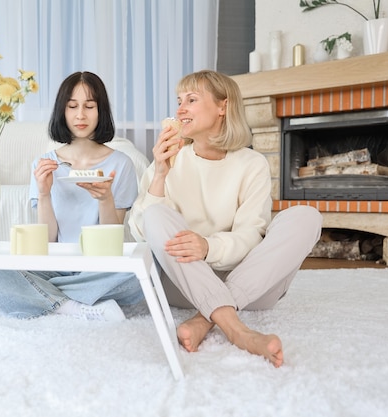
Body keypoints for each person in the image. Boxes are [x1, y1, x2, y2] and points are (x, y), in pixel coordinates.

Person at [128, 70, 322, 367]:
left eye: (191, 100)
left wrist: (208, 247)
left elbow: (250, 237)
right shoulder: (168, 161)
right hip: (183, 287)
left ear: (223, 106)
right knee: (154, 213)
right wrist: (160, 174)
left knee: (306, 217)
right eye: (179, 101)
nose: (180, 109)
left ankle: (205, 320)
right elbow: (142, 232)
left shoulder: (252, 164)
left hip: (252, 287)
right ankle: (238, 331)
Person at [0, 71, 143, 321]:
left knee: (140, 276)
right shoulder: (44, 164)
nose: (80, 115)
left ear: (101, 112)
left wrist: (105, 198)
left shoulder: (120, 164)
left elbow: (111, 243)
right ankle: (70, 306)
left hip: (98, 268)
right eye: (72, 106)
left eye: (89, 106)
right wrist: (44, 193)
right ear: (61, 111)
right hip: (53, 265)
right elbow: (47, 240)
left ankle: (17, 294)